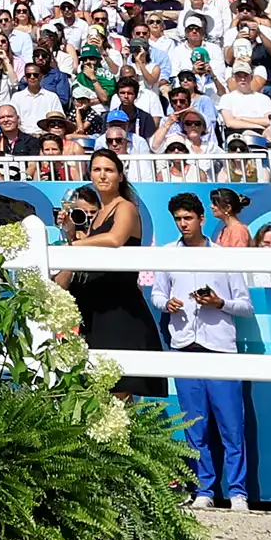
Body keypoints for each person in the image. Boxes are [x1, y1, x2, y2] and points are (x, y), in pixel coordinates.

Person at [152, 191, 252, 510]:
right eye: (178, 219)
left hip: (220, 348)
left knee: (231, 426)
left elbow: (245, 305)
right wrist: (167, 304)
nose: (183, 224)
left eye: (188, 218)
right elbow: (157, 294)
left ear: (201, 219)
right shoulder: (167, 254)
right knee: (195, 427)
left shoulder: (223, 256)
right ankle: (204, 490)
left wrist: (219, 303)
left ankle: (237, 492)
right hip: (184, 346)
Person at [59, 146, 165, 401]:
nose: (103, 175)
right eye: (97, 169)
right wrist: (70, 232)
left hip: (119, 311)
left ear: (120, 175)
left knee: (117, 391)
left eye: (109, 170)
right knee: (99, 393)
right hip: (96, 310)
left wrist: (74, 244)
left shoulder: (126, 207)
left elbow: (116, 238)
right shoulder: (97, 216)